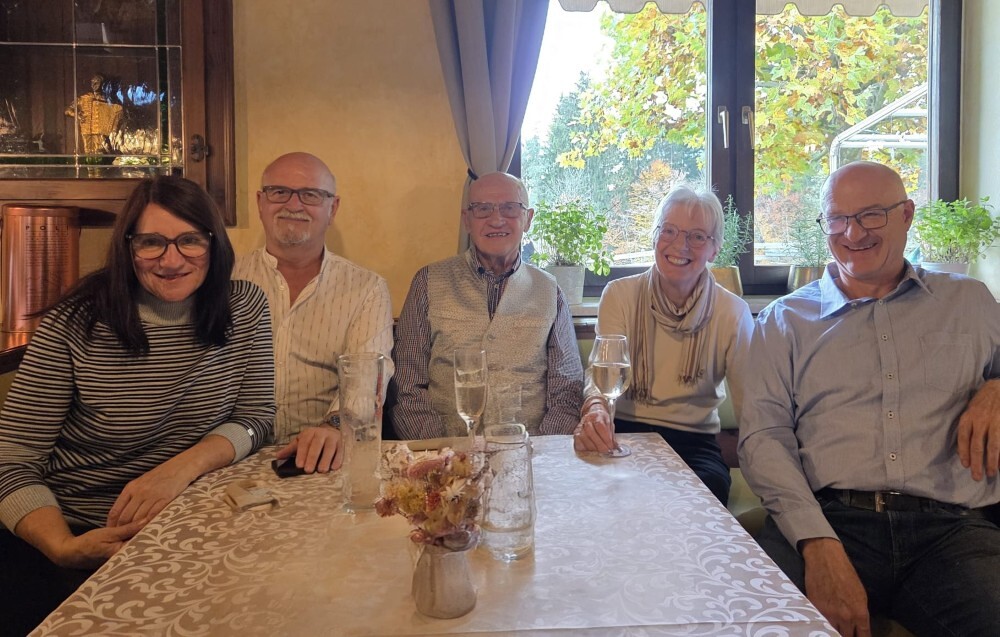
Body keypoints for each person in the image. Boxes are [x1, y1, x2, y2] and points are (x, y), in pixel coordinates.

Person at [0, 176, 275, 636]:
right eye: (152, 242)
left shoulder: (244, 307)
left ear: (214, 244)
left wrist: (179, 469)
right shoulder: (73, 324)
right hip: (77, 533)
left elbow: (255, 418)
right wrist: (63, 546)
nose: (172, 260)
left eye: (190, 240)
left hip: (188, 528)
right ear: (128, 247)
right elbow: (11, 461)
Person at [738, 161, 1000, 637]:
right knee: (756, 625)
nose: (853, 232)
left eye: (871, 215)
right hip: (828, 520)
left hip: (952, 532)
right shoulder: (783, 321)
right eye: (837, 218)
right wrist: (817, 543)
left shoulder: (971, 302)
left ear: (907, 215)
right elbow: (763, 439)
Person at [573, 186, 752, 505]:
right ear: (654, 236)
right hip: (623, 431)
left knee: (700, 500)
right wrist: (596, 409)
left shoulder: (733, 312)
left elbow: (752, 407)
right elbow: (602, 377)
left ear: (715, 249)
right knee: (598, 498)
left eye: (697, 236)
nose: (679, 245)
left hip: (695, 443)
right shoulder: (619, 295)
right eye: (669, 230)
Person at [233, 152, 394, 473]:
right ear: (260, 202)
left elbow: (367, 378)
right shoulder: (226, 278)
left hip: (323, 459)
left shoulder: (367, 289)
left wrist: (334, 426)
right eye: (280, 192)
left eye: (311, 195)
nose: (294, 205)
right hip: (233, 454)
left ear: (332, 208)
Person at [392, 171, 583, 438]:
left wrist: (540, 452)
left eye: (510, 208)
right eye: (482, 209)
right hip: (446, 452)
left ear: (528, 219)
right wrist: (441, 451)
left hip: (529, 450)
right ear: (467, 220)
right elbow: (407, 387)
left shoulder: (550, 290)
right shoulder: (427, 282)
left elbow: (567, 392)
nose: (496, 220)